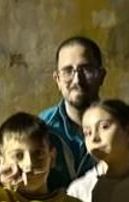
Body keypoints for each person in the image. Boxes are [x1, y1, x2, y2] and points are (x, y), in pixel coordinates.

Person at [40, 36, 107, 189]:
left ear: (101, 75)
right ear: (57, 80)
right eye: (68, 71)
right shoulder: (42, 128)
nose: (77, 80)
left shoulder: (118, 129)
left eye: (86, 70)